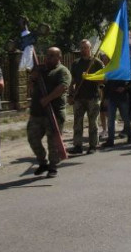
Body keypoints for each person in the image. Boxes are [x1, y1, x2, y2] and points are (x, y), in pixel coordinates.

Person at [27, 46, 71, 177]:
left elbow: (63, 87)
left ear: (59, 57)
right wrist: (33, 78)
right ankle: (42, 162)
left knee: (53, 142)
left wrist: (48, 98)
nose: (48, 58)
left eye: (52, 55)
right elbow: (30, 87)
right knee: (32, 138)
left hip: (54, 112)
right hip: (37, 112)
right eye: (47, 55)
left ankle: (53, 166)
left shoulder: (62, 71)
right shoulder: (40, 69)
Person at [70, 39, 101, 154]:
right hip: (79, 97)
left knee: (93, 123)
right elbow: (72, 81)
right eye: (82, 48)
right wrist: (70, 94)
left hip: (93, 97)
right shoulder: (76, 63)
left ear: (90, 48)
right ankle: (77, 146)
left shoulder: (96, 63)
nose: (83, 50)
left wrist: (90, 76)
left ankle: (93, 146)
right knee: (77, 123)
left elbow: (104, 79)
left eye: (86, 48)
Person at [101, 73, 131, 147]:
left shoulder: (125, 71)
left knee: (125, 118)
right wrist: (105, 98)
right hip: (112, 98)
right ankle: (110, 140)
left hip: (123, 98)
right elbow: (106, 86)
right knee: (111, 120)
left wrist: (124, 88)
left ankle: (130, 137)